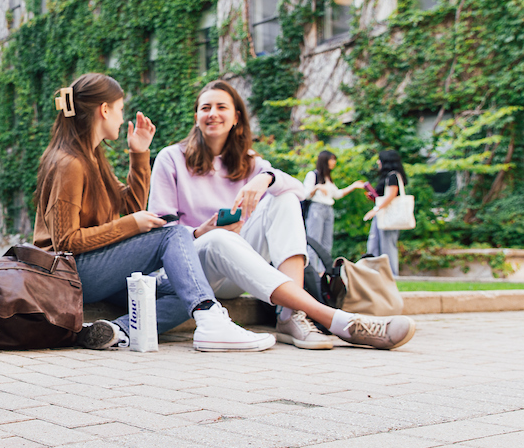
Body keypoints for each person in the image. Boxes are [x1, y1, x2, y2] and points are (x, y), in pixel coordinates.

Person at [149, 80, 415, 350]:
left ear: (236, 117)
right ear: (196, 117)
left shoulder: (250, 162)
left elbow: (299, 191)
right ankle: (340, 322)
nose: (212, 113)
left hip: (238, 268)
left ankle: (290, 316)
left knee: (284, 196)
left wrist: (266, 177)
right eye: (205, 107)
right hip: (194, 267)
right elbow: (160, 232)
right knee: (218, 239)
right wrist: (199, 232)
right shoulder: (171, 158)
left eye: (221, 107)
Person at [33, 73, 274, 352]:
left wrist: (139, 154)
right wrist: (131, 225)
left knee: (189, 291)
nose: (123, 119)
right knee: (170, 234)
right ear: (105, 110)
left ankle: (116, 330)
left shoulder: (93, 158)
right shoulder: (69, 163)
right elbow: (66, 242)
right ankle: (211, 321)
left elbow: (131, 207)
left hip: (94, 269)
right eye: (121, 109)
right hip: (69, 273)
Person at [303, 150, 365, 273]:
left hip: (328, 209)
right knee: (314, 241)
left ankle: (324, 272)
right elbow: (305, 194)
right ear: (324, 161)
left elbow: (337, 194)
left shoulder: (328, 178)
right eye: (331, 159)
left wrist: (353, 186)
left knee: (327, 243)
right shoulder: (313, 175)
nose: (334, 162)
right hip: (317, 208)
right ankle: (312, 272)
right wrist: (317, 187)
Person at [364, 149, 408, 276]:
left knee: (387, 245)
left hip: (388, 216)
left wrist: (375, 210)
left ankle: (391, 275)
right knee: (375, 244)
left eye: (380, 159)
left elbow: (391, 196)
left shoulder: (393, 176)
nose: (378, 162)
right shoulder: (388, 176)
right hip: (382, 215)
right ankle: (376, 273)